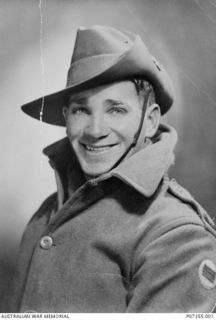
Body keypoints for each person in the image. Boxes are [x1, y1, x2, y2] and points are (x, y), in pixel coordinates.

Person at [8, 25, 216, 312]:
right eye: (82, 110)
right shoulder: (45, 217)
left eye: (116, 110)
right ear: (66, 117)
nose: (95, 131)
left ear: (151, 122)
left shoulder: (176, 235)